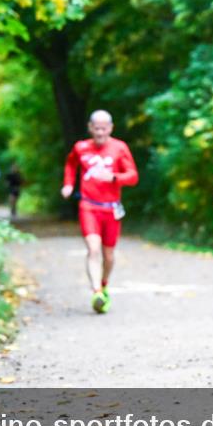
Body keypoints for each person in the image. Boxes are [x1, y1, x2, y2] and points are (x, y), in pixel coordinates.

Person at [61, 110, 138, 313]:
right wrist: (68, 184)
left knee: (109, 255)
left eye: (104, 128)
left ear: (111, 128)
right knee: (93, 249)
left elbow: (133, 176)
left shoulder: (120, 148)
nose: (100, 132)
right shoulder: (81, 147)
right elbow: (70, 164)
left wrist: (113, 177)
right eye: (97, 128)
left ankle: (103, 284)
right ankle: (96, 291)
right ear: (90, 128)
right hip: (88, 206)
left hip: (111, 209)